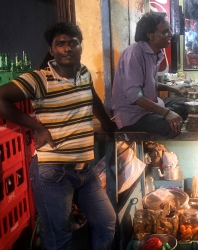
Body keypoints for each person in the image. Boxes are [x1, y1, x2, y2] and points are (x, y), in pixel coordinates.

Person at [0, 22, 117, 250]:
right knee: (59, 238)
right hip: (53, 172)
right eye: (60, 44)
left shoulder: (84, 72)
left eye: (72, 43)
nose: (67, 48)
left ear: (80, 47)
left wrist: (107, 123)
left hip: (84, 170)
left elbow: (92, 98)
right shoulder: (39, 79)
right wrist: (37, 127)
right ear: (51, 50)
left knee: (106, 221)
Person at [112, 12, 187, 138]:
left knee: (187, 104)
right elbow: (135, 96)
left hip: (148, 107)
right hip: (133, 115)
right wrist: (167, 113)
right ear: (150, 35)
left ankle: (164, 114)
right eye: (165, 31)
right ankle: (165, 115)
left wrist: (171, 88)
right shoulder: (134, 53)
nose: (171, 34)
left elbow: (149, 83)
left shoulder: (154, 53)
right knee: (171, 128)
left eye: (170, 30)